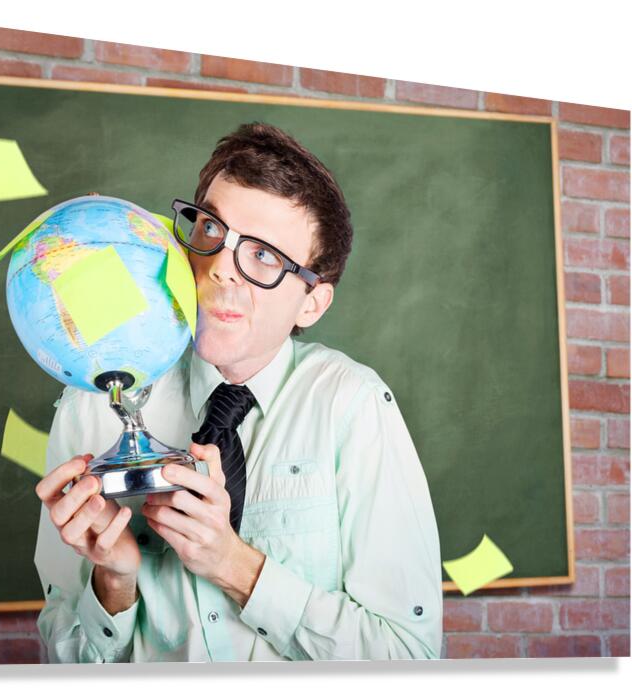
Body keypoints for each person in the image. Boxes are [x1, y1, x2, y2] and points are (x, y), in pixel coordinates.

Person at [32, 122, 443, 662]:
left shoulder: (353, 406)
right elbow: (57, 663)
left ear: (311, 304)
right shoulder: (94, 400)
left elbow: (409, 656)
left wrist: (231, 563)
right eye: (211, 231)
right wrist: (113, 585)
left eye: (265, 256)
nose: (222, 268)